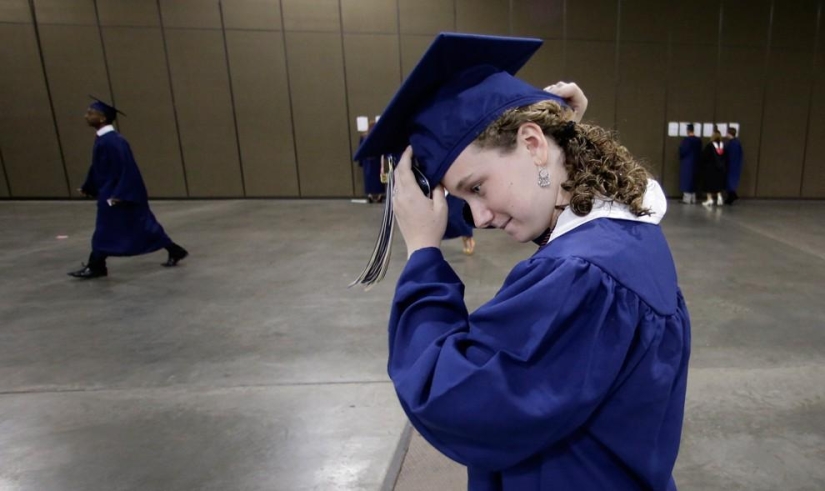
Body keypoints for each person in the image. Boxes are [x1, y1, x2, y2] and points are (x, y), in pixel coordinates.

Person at [355, 33, 690, 491]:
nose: (479, 218)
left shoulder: (581, 278)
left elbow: (451, 398)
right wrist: (561, 149)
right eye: (461, 200)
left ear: (532, 143)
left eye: (476, 187)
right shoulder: (626, 232)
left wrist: (423, 254)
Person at [68, 98, 188, 279]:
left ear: (102, 118)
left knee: (106, 229)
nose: (86, 116)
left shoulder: (114, 141)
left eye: (91, 113)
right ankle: (175, 249)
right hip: (111, 191)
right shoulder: (104, 140)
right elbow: (98, 167)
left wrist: (121, 194)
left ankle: (97, 265)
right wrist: (89, 186)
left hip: (116, 194)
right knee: (143, 226)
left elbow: (128, 168)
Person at [357, 120, 386, 203]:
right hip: (377, 160)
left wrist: (361, 163)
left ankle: (370, 195)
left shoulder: (363, 137)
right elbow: (382, 150)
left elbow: (361, 150)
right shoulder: (378, 136)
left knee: (368, 179)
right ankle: (380, 195)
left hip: (367, 161)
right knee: (379, 178)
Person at [699, 129, 726, 207]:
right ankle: (719, 197)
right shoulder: (723, 146)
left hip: (710, 169)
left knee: (709, 184)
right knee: (717, 184)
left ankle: (709, 199)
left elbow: (704, 156)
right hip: (720, 169)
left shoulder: (710, 146)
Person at [678, 123, 702, 204]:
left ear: (688, 130)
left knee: (686, 180)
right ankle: (693, 198)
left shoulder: (687, 140)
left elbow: (683, 151)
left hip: (687, 163)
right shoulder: (698, 141)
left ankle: (686, 199)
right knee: (693, 181)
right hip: (696, 163)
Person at [724, 127, 743, 204]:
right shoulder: (737, 143)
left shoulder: (732, 144)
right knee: (731, 182)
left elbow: (729, 155)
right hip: (735, 166)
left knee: (729, 182)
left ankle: (731, 196)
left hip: (731, 166)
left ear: (729, 133)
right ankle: (731, 196)